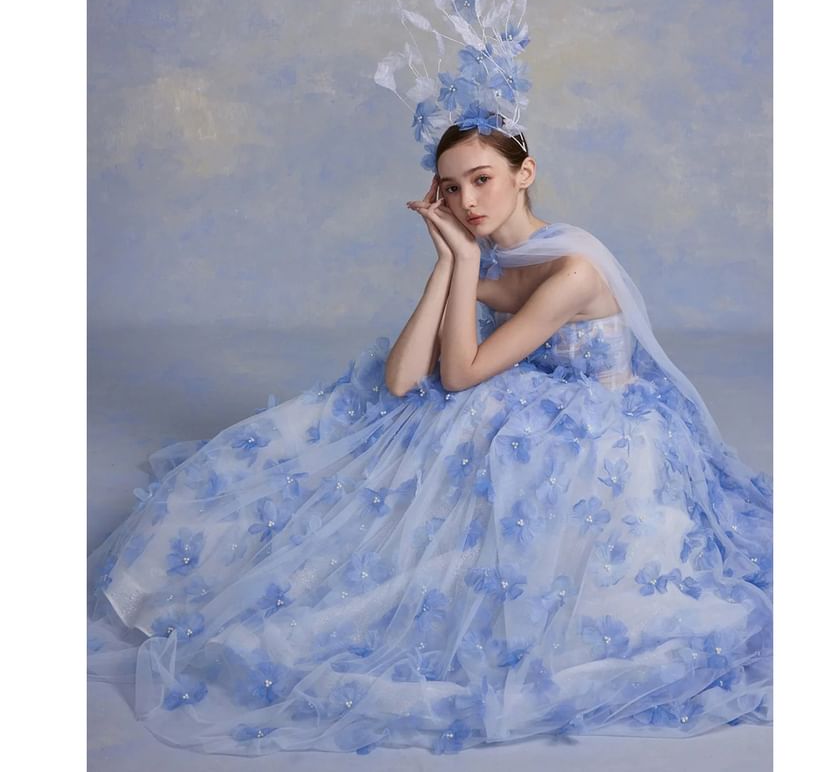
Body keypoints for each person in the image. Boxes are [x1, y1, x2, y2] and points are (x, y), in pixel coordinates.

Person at [87, 121, 773, 756]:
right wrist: (449, 259)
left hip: (600, 439)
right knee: (380, 425)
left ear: (525, 173)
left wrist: (467, 264)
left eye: (482, 179)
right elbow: (401, 377)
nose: (466, 201)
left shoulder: (573, 270)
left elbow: (462, 371)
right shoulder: (495, 258)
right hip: (523, 401)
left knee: (459, 437)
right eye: (449, 187)